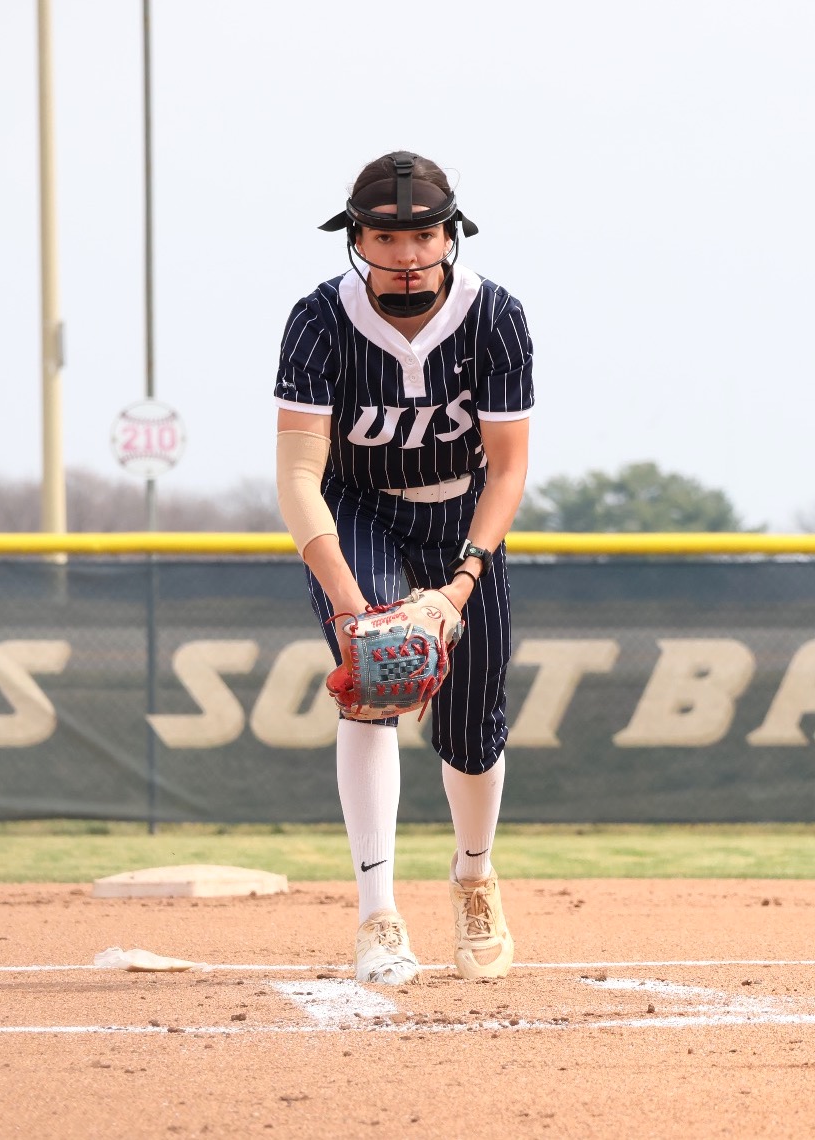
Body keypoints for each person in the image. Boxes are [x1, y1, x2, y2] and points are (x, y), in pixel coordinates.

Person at [273, 151, 533, 985]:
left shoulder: (494, 317)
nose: (408, 253)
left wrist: (460, 587)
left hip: (465, 516)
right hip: (361, 511)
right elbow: (296, 478)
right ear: (356, 239)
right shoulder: (318, 321)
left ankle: (472, 876)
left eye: (424, 232)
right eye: (386, 236)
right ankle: (377, 915)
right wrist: (352, 610)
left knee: (470, 726)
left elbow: (508, 467)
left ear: (450, 235)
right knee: (375, 680)